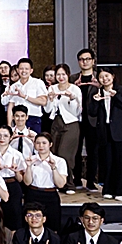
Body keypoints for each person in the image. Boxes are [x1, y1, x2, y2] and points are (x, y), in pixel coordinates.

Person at [89, 67, 122, 201]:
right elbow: (92, 113)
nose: (104, 79)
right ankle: (108, 189)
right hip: (106, 132)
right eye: (101, 77)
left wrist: (117, 96)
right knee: (108, 162)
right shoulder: (98, 92)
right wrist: (95, 101)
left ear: (113, 76)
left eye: (107, 76)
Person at [45, 64, 83, 194]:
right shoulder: (52, 88)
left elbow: (77, 112)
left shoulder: (75, 89)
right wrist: (50, 100)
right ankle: (58, 183)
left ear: (68, 75)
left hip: (71, 123)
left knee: (65, 155)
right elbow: (48, 110)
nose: (61, 77)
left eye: (63, 74)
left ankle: (70, 184)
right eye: (58, 74)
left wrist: (72, 99)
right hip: (56, 123)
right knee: (54, 153)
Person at [71, 49, 102, 192]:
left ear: (93, 61)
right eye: (82, 59)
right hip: (76, 119)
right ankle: (76, 179)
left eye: (88, 59)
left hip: (92, 120)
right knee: (75, 151)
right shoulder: (72, 79)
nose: (85, 62)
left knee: (93, 151)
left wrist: (99, 87)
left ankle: (91, 181)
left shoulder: (99, 79)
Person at [22, 133, 67, 230]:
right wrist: (28, 166)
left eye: (44, 143)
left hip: (50, 196)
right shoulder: (30, 159)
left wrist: (53, 168)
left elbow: (61, 184)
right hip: (32, 194)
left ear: (50, 144)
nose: (41, 146)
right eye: (38, 143)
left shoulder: (59, 161)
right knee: (31, 226)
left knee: (53, 226)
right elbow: (27, 182)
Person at [0, 126, 26, 234]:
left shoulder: (17, 154)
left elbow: (21, 179)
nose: (2, 138)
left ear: (10, 137)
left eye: (5, 136)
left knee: (13, 217)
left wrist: (16, 171)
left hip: (12, 185)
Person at [2, 58, 48, 132]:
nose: (24, 71)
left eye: (26, 69)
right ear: (17, 70)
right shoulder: (14, 86)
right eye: (21, 69)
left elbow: (43, 101)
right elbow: (11, 106)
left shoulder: (38, 83)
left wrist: (25, 96)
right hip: (18, 120)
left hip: (33, 118)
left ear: (31, 70)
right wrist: (9, 125)